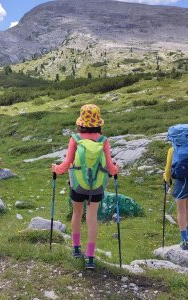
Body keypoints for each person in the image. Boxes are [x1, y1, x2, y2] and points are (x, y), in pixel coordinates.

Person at [51, 104, 119, 269]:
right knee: (92, 217)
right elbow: (110, 168)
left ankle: (76, 248)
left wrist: (56, 169)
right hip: (96, 187)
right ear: (98, 122)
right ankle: (90, 257)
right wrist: (116, 169)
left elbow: (66, 164)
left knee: (76, 212)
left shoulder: (75, 139)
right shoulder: (103, 141)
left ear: (80, 122)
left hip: (78, 185)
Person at [163, 147, 188, 250]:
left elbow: (168, 169)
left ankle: (184, 240)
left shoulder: (173, 149)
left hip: (181, 181)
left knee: (181, 209)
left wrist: (166, 179)